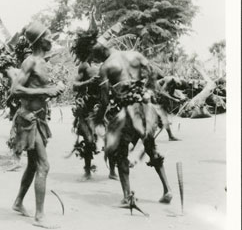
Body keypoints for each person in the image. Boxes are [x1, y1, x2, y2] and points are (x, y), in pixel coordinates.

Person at [91, 23, 173, 206]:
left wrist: (99, 119)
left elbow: (104, 100)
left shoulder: (105, 67)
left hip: (126, 114)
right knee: (151, 148)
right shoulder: (134, 55)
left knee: (121, 155)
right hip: (145, 109)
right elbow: (153, 75)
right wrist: (147, 94)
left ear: (100, 53)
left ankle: (127, 196)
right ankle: (167, 189)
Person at [8, 21, 65, 228]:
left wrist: (53, 89)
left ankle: (18, 202)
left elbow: (39, 89)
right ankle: (40, 216)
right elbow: (15, 90)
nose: (52, 39)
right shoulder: (30, 62)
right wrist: (45, 92)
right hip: (28, 119)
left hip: (39, 119)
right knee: (43, 165)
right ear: (41, 40)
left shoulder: (43, 63)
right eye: (49, 36)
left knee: (33, 164)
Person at [70, 30, 118, 180]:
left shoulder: (107, 63)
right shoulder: (84, 66)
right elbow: (74, 85)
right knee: (89, 139)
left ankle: (112, 171)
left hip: (106, 104)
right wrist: (87, 82)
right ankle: (87, 170)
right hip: (89, 106)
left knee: (111, 139)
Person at [155, 75, 188, 141]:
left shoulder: (175, 84)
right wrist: (174, 99)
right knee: (162, 115)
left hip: (159, 95)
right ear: (179, 83)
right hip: (154, 91)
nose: (176, 87)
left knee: (163, 116)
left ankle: (170, 135)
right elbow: (162, 92)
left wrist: (179, 99)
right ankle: (169, 135)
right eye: (178, 85)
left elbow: (171, 94)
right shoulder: (170, 79)